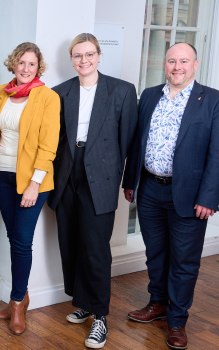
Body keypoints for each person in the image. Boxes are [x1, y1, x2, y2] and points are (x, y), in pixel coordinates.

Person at [122, 42, 219, 350]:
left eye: (184, 61)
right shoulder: (150, 95)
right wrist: (130, 182)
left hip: (190, 195)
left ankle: (177, 321)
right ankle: (158, 303)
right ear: (164, 64)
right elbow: (138, 142)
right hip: (150, 188)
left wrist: (209, 197)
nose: (177, 66)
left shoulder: (212, 100)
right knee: (156, 252)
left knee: (184, 261)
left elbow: (217, 154)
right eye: (172, 61)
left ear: (195, 64)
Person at [47, 33, 137, 349]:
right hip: (67, 173)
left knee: (96, 247)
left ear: (99, 55)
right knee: (70, 242)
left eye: (89, 54)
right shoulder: (60, 93)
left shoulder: (122, 91)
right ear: (71, 59)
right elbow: (54, 142)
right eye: (77, 56)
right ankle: (83, 302)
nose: (83, 60)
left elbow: (129, 142)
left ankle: (100, 317)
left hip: (100, 173)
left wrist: (125, 180)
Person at [0, 42, 60, 335]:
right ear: (13, 64)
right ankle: (18, 295)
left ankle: (18, 302)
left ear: (38, 67)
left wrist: (34, 184)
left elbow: (49, 144)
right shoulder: (0, 93)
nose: (26, 69)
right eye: (21, 63)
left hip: (33, 181)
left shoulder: (47, 97)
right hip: (2, 177)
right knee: (12, 238)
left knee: (22, 240)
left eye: (32, 64)